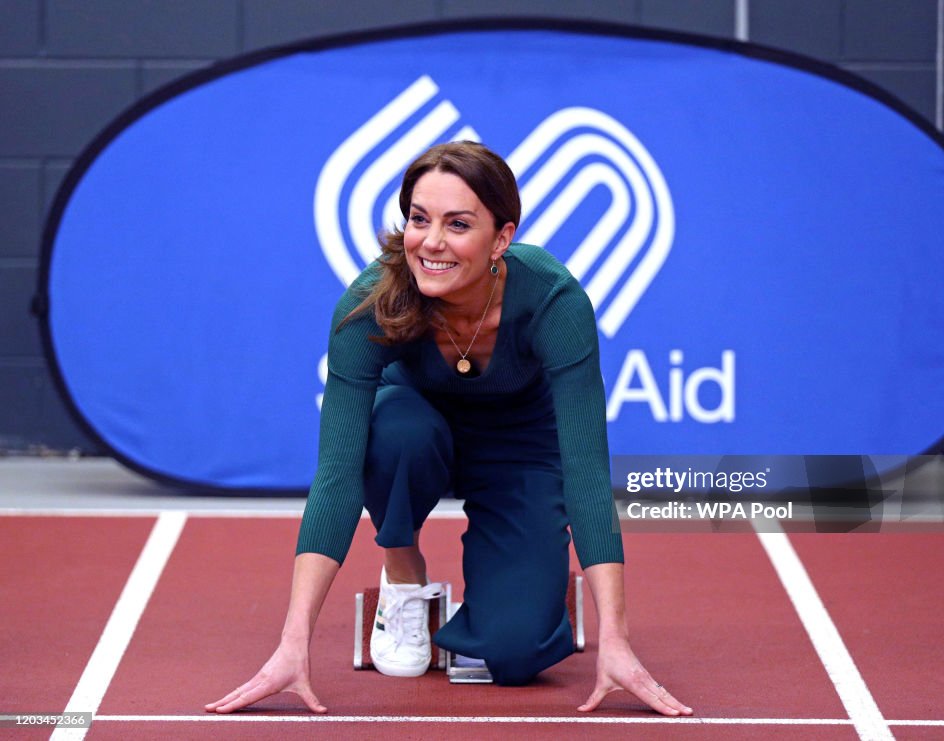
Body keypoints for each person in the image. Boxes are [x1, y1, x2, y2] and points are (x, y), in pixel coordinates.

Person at [206, 141, 692, 717]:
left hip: (519, 448)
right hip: (415, 428)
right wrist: (293, 643)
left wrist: (617, 638)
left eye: (457, 224)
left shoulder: (555, 301)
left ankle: (529, 590)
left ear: (502, 237)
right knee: (395, 433)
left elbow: (585, 472)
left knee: (514, 654)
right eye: (419, 219)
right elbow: (337, 476)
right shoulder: (369, 303)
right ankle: (404, 575)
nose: (431, 242)